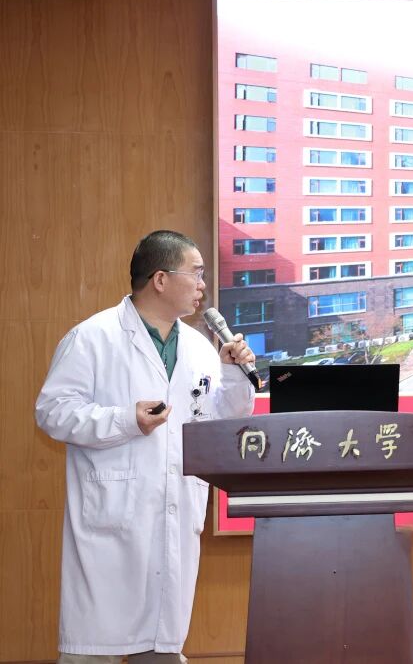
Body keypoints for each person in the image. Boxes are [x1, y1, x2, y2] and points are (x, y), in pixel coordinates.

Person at [34, 231, 257, 664]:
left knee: (161, 647)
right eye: (196, 273)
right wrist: (124, 420)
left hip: (175, 514)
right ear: (160, 279)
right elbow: (53, 412)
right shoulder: (93, 337)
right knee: (93, 649)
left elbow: (219, 420)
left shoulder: (199, 347)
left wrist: (233, 374)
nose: (202, 285)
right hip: (112, 520)